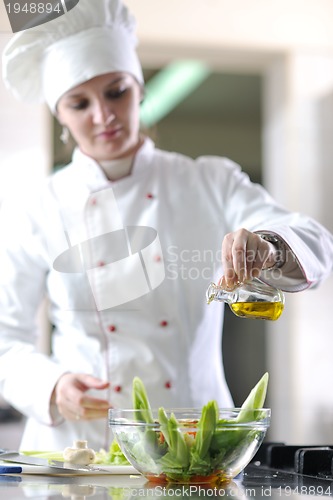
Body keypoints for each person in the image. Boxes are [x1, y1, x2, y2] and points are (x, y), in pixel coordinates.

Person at [1, 0, 333, 452]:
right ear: (61, 116)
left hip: (195, 438)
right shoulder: (38, 206)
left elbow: (313, 238)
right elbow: (6, 339)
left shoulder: (208, 180)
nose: (103, 116)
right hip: (81, 448)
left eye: (116, 91)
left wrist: (269, 246)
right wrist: (52, 385)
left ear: (139, 88)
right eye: (80, 103)